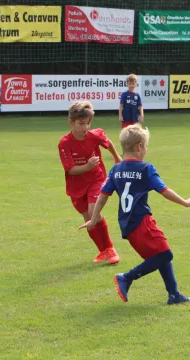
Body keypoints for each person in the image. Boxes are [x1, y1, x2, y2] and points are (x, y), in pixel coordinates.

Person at [79, 124, 190, 305]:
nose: (146, 150)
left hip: (127, 225)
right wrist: (185, 202)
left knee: (160, 253)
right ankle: (126, 277)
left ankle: (174, 294)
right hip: (142, 222)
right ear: (139, 146)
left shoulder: (116, 170)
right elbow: (164, 191)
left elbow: (102, 196)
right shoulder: (145, 168)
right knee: (165, 255)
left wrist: (94, 219)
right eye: (146, 146)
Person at [58, 101, 122, 263]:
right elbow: (71, 169)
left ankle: (111, 250)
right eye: (81, 123)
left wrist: (116, 158)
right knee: (90, 222)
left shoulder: (95, 135)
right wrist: (87, 165)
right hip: (77, 186)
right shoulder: (65, 143)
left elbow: (108, 143)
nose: (85, 127)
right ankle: (103, 251)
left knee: (94, 212)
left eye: (88, 123)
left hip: (96, 179)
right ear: (71, 123)